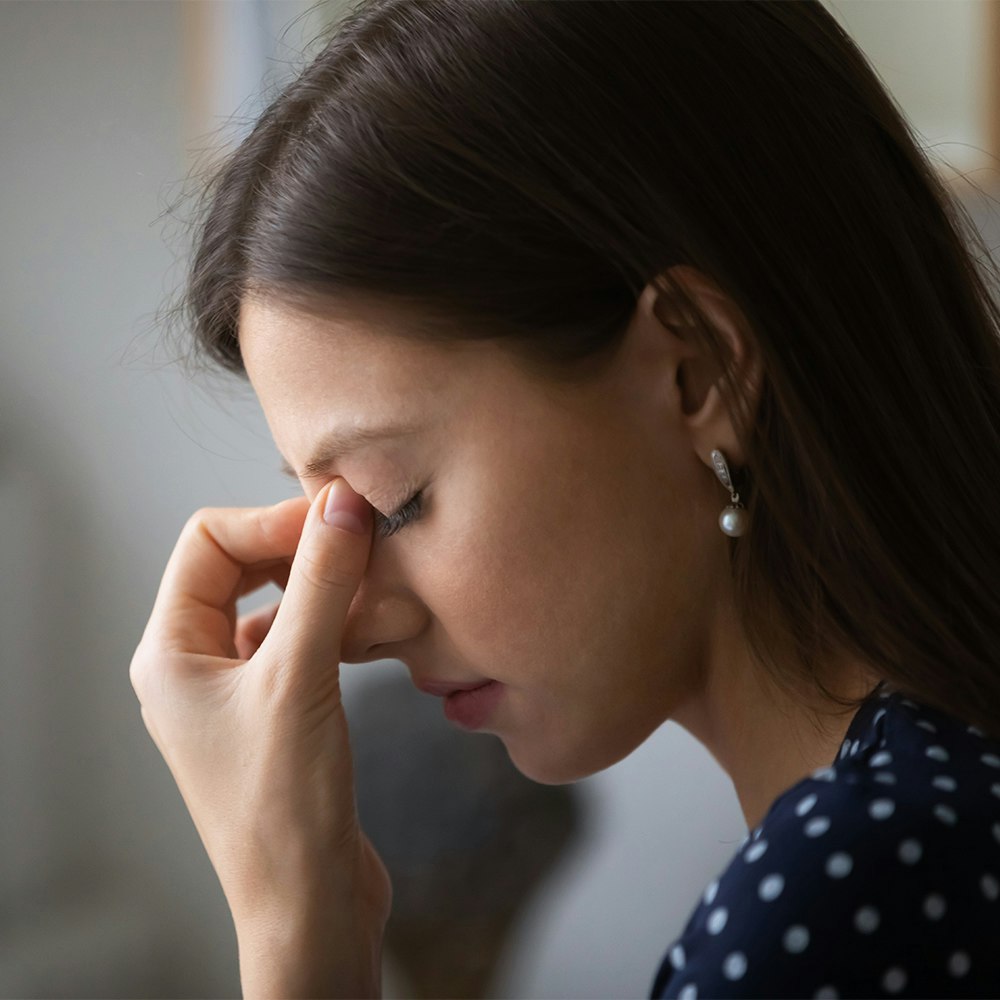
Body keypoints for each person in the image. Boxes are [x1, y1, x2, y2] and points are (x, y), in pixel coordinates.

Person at [130, 0, 1000, 996]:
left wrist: (291, 926)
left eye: (390, 497)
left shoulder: (856, 893)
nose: (352, 624)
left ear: (696, 369)